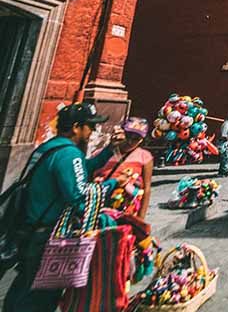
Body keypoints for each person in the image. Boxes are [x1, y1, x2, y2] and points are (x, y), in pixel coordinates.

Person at [3, 102, 132, 312]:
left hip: (31, 228)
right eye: (89, 126)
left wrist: (109, 150)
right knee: (40, 299)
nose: (92, 131)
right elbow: (79, 195)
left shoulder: (51, 147)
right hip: (46, 235)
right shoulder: (68, 154)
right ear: (75, 127)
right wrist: (113, 184)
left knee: (24, 288)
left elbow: (82, 169)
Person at [93, 116, 154, 218]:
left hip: (127, 210)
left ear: (141, 140)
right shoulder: (103, 154)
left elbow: (147, 188)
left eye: (136, 139)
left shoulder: (145, 157)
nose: (130, 141)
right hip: (100, 207)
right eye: (128, 136)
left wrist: (141, 217)